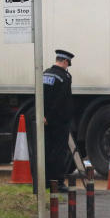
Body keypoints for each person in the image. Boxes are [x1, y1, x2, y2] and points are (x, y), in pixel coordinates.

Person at [36, 49, 74, 193]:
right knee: (59, 152)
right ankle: (57, 182)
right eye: (67, 64)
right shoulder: (64, 77)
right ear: (64, 61)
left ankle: (45, 181)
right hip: (58, 121)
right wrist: (51, 117)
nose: (67, 66)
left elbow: (41, 96)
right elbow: (60, 101)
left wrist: (43, 115)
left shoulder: (45, 73)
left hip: (44, 119)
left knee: (46, 149)